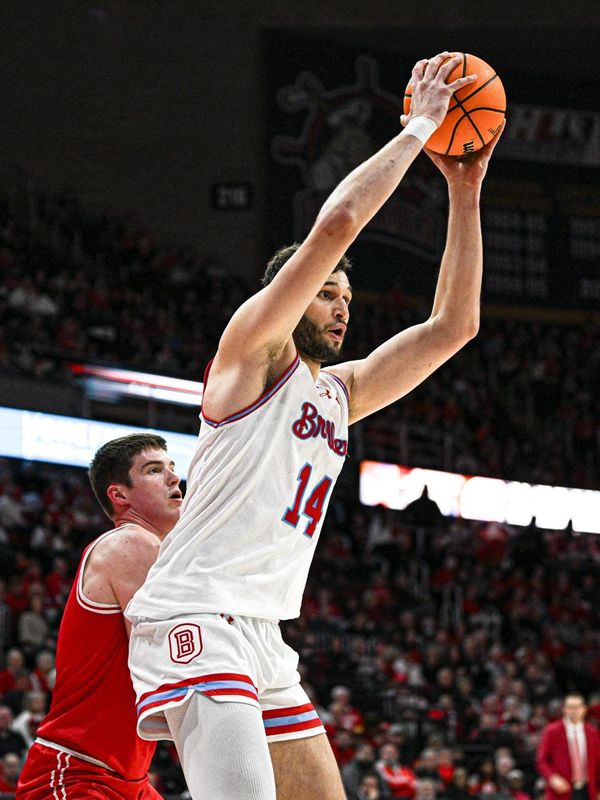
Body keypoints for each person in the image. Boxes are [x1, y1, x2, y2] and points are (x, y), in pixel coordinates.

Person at [126, 51, 504, 800]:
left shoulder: (338, 392)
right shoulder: (250, 353)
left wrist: (465, 192)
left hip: (264, 634)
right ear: (285, 296)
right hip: (197, 613)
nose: (342, 305)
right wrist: (421, 125)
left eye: (346, 297)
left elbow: (453, 326)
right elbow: (336, 221)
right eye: (326, 291)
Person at [17, 433, 182, 800]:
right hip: (77, 772)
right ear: (119, 495)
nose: (174, 478)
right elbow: (171, 662)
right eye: (155, 470)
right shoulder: (133, 543)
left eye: (172, 468)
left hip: (128, 780)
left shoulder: (150, 548)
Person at [536, 693, 600, 800]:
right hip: (562, 790)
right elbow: (541, 760)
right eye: (570, 707)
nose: (574, 711)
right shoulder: (552, 731)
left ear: (584, 709)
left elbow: (598, 761)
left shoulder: (592, 732)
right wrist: (552, 778)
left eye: (577, 707)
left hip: (588, 789)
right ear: (564, 709)